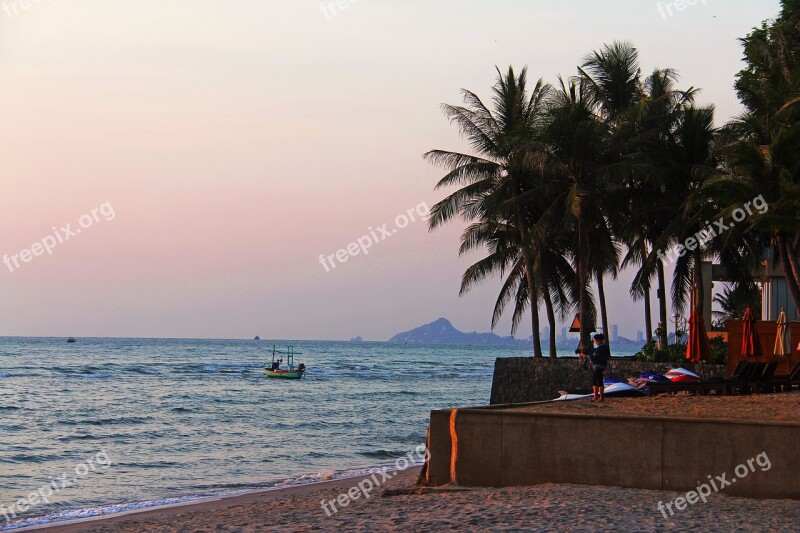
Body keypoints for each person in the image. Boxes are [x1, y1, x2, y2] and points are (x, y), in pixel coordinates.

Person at [587, 334, 610, 402]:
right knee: (597, 381)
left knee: (597, 381)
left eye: (594, 341)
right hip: (602, 366)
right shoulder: (605, 348)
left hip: (598, 367)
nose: (594, 342)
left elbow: (594, 357)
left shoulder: (599, 349)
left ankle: (598, 397)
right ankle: (598, 397)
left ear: (598, 340)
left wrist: (587, 356)